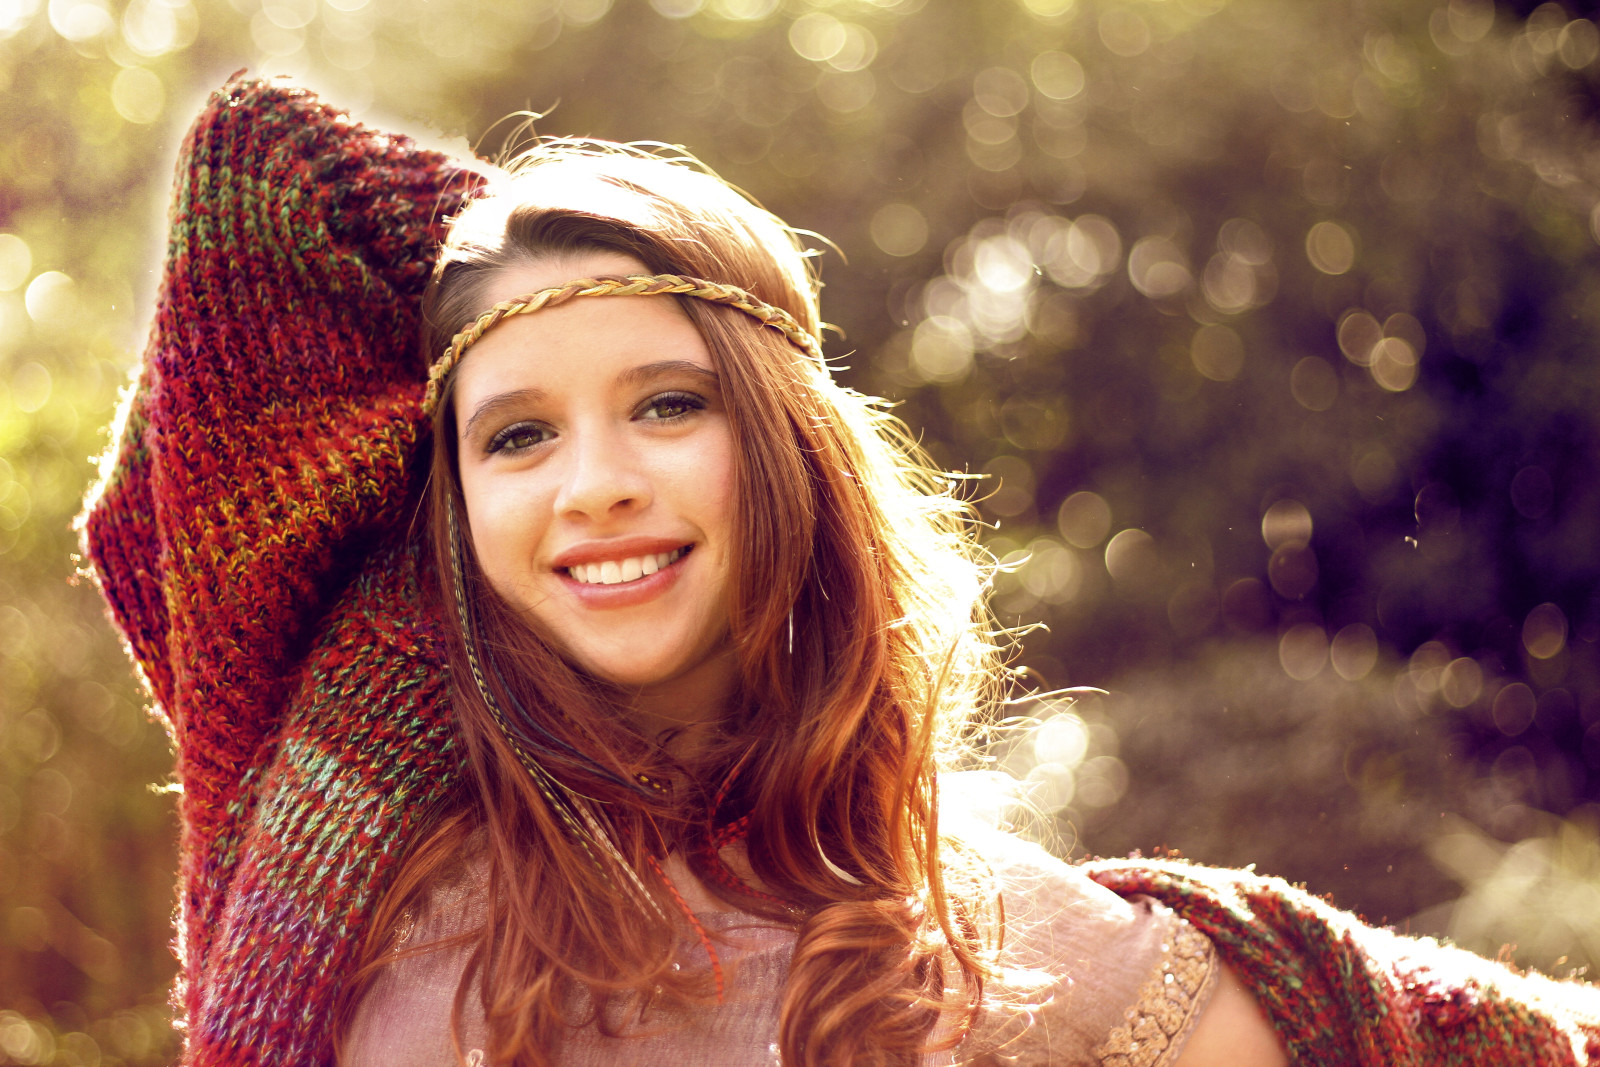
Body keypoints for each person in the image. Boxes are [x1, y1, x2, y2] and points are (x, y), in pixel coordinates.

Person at [81, 77, 1600, 1067]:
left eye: (669, 404)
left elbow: (1415, 1033)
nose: (597, 480)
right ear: (450, 507)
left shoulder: (976, 929)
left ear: (788, 449)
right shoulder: (375, 898)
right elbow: (258, 162)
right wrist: (489, 246)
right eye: (517, 434)